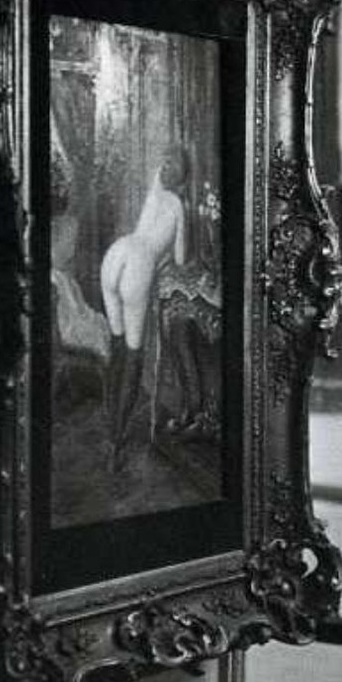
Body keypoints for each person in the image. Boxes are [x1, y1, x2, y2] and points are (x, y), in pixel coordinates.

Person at [100, 143, 189, 470]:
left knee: (117, 344)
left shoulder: (154, 194)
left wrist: (162, 174)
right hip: (139, 264)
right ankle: (115, 444)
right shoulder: (178, 205)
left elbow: (158, 178)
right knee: (135, 356)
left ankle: (110, 420)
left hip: (116, 254)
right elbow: (180, 259)